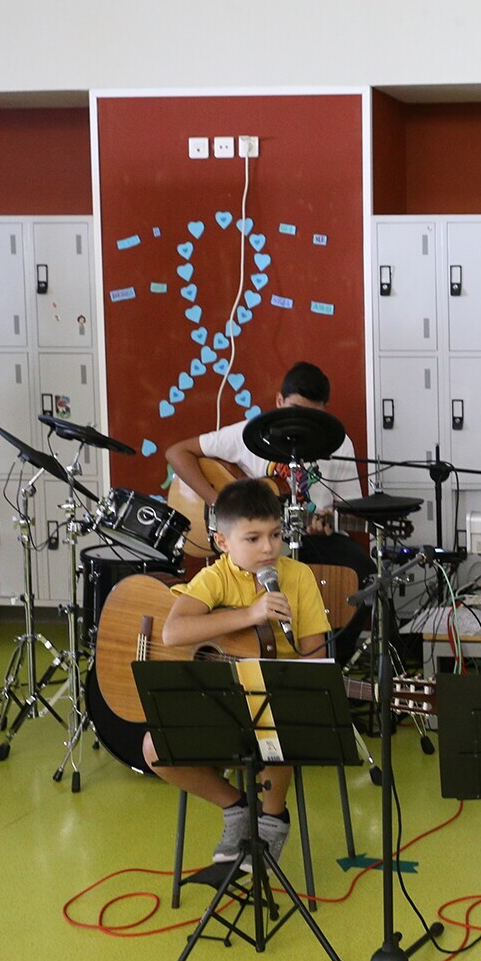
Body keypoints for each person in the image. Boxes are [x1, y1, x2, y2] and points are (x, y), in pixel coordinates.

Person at [140, 479, 330, 867]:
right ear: (222, 542)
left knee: (275, 729)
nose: (268, 548)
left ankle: (273, 817)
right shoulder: (215, 577)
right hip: (218, 703)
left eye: (275, 534)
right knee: (154, 748)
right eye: (253, 538)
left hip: (275, 703)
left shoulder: (298, 577)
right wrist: (250, 615)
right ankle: (236, 806)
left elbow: (316, 656)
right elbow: (173, 632)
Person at [164, 360, 371, 650]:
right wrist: (219, 503)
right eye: (295, 410)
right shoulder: (250, 432)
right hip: (255, 537)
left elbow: (349, 508)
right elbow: (177, 453)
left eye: (314, 415)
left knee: (363, 569)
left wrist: (327, 518)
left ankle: (334, 660)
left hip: (311, 538)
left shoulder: (338, 442)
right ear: (279, 401)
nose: (302, 421)